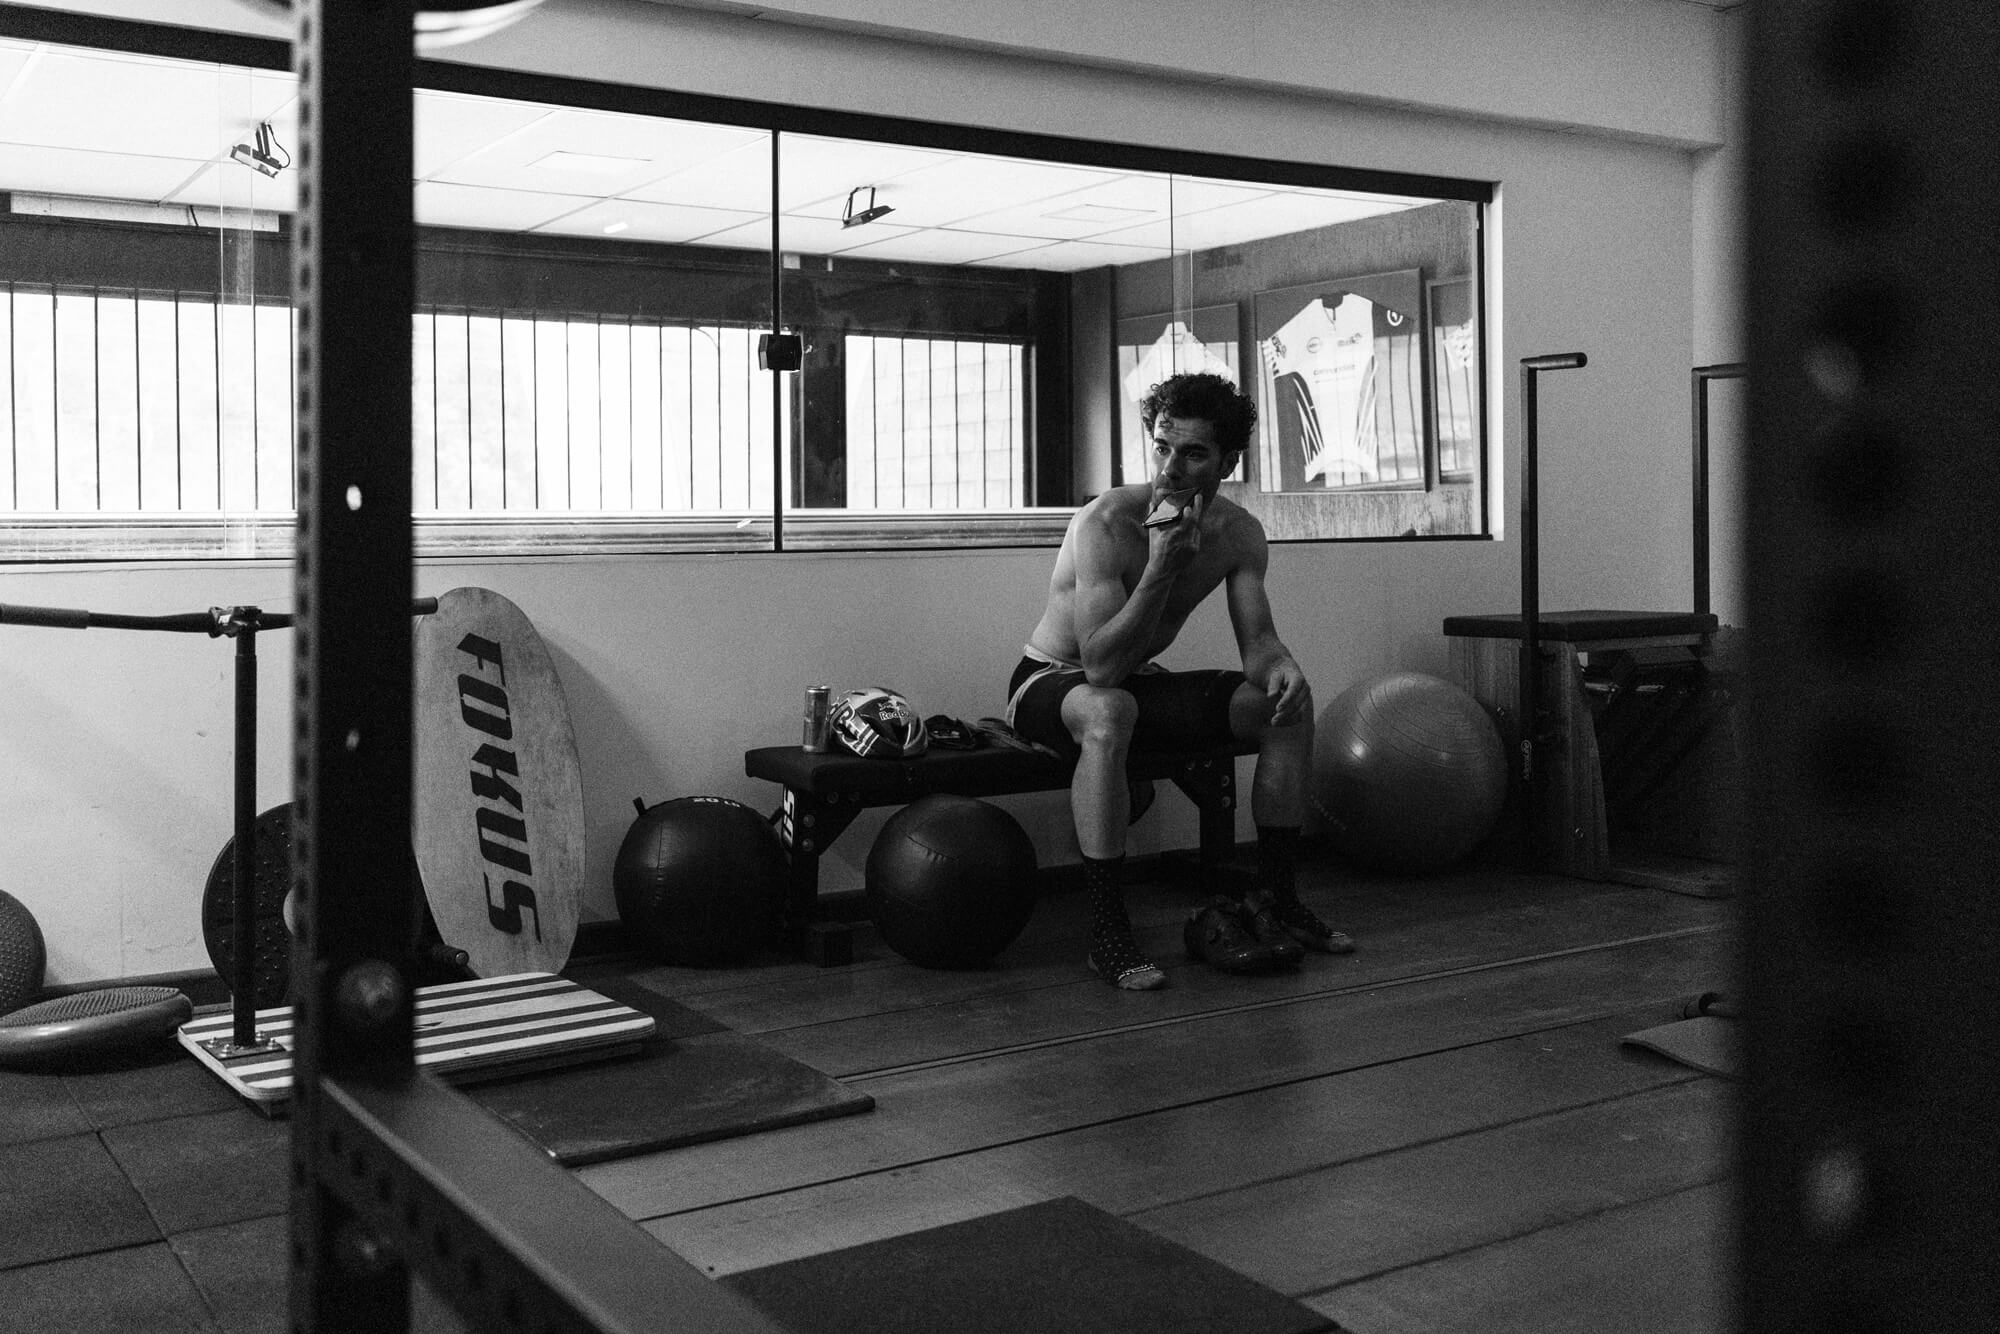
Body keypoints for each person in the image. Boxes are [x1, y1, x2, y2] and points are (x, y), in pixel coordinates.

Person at [1006, 372, 1354, 990]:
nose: (1171, 466)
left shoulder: (1238, 533)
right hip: (1052, 684)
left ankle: (1278, 900)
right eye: (1162, 447)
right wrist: (1160, 569)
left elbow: (1259, 647)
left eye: (1193, 453)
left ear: (1228, 460)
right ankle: (1109, 932)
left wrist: (1284, 671)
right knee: (1111, 710)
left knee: (1283, 710)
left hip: (1133, 682)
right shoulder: (1106, 523)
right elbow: (1100, 668)